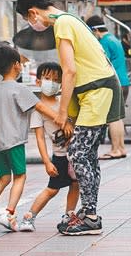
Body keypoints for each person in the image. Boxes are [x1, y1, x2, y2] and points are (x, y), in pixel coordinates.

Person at [16, 0, 124, 236]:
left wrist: (62, 113)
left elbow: (70, 70)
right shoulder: (70, 19)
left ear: (33, 13)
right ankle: (89, 213)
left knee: (78, 152)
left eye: (26, 19)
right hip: (98, 91)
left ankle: (90, 216)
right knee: (87, 154)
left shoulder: (62, 23)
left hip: (97, 92)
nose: (31, 24)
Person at [0, 45, 58, 232]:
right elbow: (40, 107)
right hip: (14, 142)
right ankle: (9, 213)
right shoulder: (18, 89)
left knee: (3, 178)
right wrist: (60, 118)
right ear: (16, 65)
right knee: (20, 176)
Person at [19, 62, 80, 233]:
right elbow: (39, 138)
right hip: (59, 156)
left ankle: (69, 215)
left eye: (56, 79)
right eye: (47, 78)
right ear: (38, 81)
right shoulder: (38, 110)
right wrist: (47, 162)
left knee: (76, 185)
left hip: (74, 154)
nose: (52, 82)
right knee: (52, 189)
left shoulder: (64, 101)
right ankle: (29, 216)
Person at [86, 15, 129, 160]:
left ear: (94, 30)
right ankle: (121, 148)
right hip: (123, 82)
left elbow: (100, 63)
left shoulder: (104, 42)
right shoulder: (114, 39)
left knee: (113, 118)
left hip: (114, 83)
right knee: (118, 117)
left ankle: (116, 149)